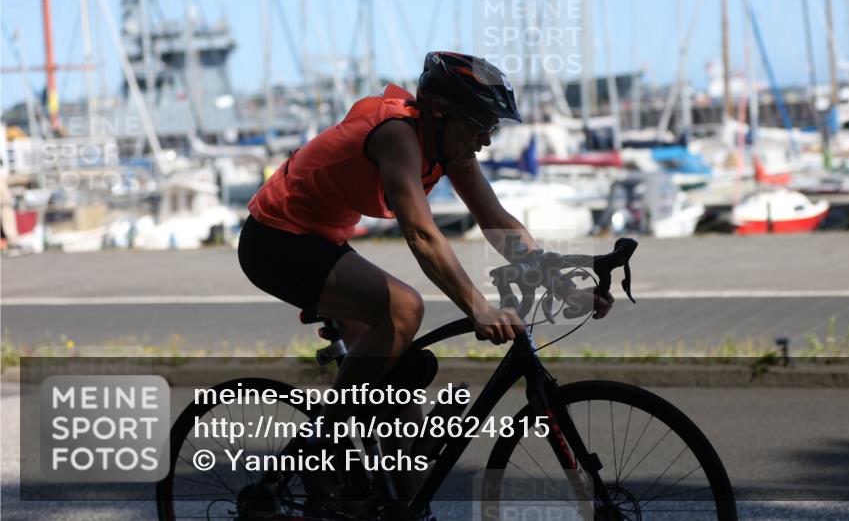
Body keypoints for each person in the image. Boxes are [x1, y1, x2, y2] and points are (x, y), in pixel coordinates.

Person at [238, 51, 613, 509]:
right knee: (404, 309)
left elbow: (498, 222)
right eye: (478, 125)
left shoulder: (450, 147)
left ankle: (404, 509)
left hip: (322, 238)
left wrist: (562, 285)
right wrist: (478, 307)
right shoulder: (396, 134)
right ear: (439, 111)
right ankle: (322, 449)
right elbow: (420, 232)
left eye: (490, 128)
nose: (485, 140)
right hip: (275, 237)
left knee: (399, 395)